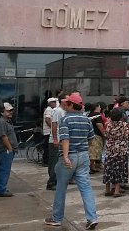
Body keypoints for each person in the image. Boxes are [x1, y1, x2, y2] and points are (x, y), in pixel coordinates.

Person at [44, 93, 98, 230]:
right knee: (86, 188)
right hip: (83, 156)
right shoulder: (86, 120)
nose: (64, 104)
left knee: (61, 188)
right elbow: (92, 139)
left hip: (69, 157)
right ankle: (92, 218)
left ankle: (56, 218)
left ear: (70, 105)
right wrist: (83, 146)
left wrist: (66, 157)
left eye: (66, 103)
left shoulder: (65, 120)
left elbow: (65, 139)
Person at [103, 108, 129, 197]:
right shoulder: (124, 125)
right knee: (119, 169)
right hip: (120, 150)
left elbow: (106, 135)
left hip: (109, 150)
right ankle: (116, 190)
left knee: (109, 169)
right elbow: (128, 135)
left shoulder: (108, 125)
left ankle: (107, 189)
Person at [0, 102, 18, 198]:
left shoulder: (7, 121)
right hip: (4, 150)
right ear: (2, 112)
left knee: (3, 169)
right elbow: (4, 137)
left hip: (6, 150)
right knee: (4, 170)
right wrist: (10, 148)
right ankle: (0, 189)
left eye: (11, 111)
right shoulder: (2, 122)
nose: (10, 112)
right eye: (8, 111)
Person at [87, 103, 106, 174]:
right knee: (94, 152)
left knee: (92, 152)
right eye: (99, 106)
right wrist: (104, 134)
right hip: (96, 135)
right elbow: (99, 125)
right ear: (96, 107)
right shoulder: (97, 115)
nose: (100, 108)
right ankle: (89, 168)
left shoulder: (89, 115)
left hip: (90, 135)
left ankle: (92, 167)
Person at [43, 98, 58, 165]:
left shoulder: (52, 110)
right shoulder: (49, 109)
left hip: (49, 131)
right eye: (53, 102)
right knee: (47, 147)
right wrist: (53, 128)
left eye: (55, 102)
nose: (54, 103)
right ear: (49, 103)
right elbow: (47, 120)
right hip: (48, 131)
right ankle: (46, 161)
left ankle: (47, 160)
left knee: (47, 147)